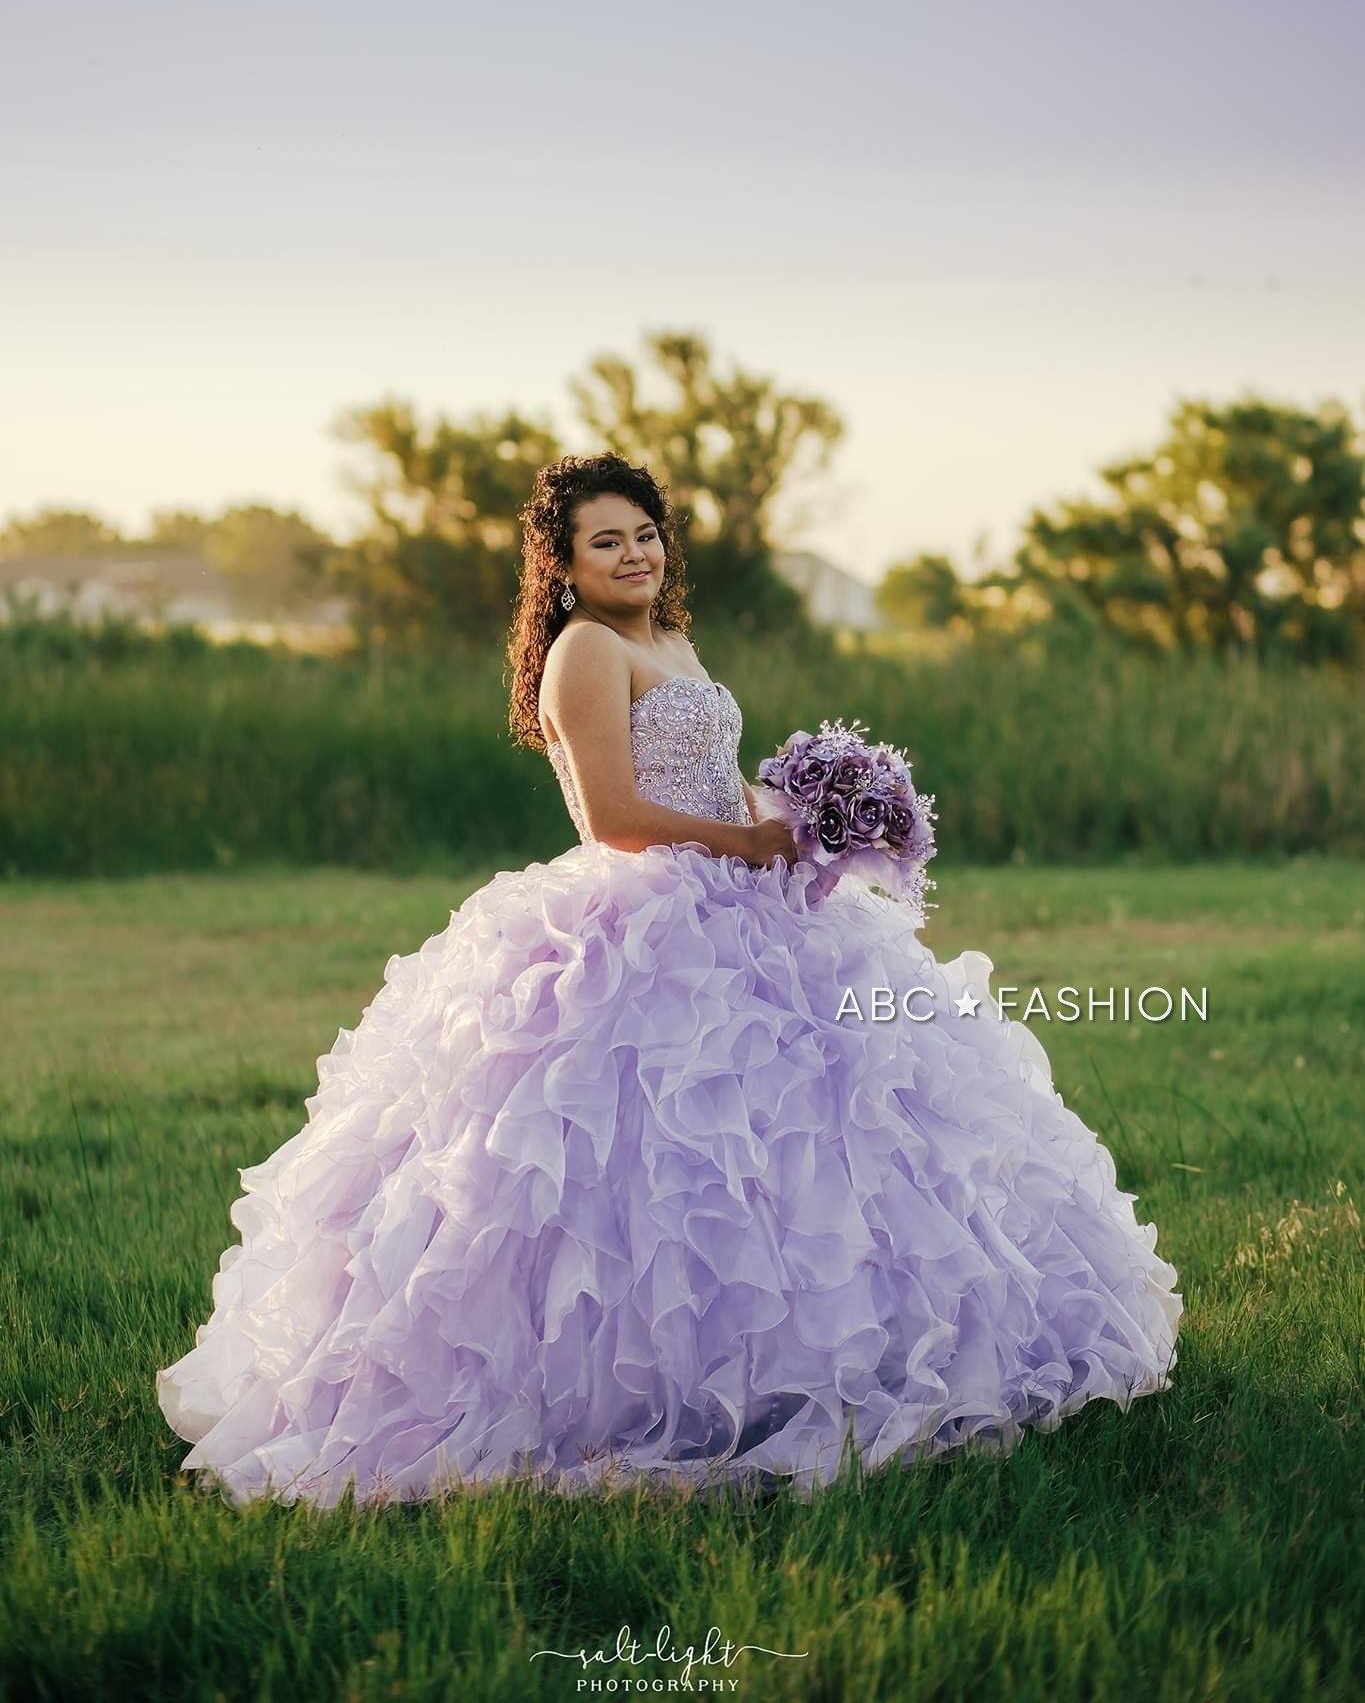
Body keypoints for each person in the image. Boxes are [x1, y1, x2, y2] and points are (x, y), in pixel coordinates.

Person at [155, 452, 1183, 1505]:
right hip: (646, 914)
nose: (635, 552)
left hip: (744, 896)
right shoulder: (586, 651)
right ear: (561, 566)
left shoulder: (670, 639)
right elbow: (614, 816)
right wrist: (750, 850)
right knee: (656, 1156)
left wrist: (806, 823)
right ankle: (633, 1390)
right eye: (607, 540)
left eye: (644, 532)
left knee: (823, 1133)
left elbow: (714, 777)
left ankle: (824, 1353)